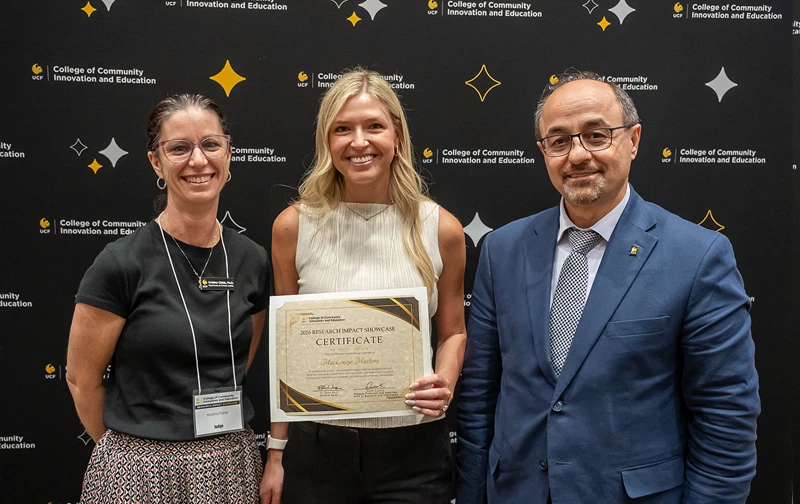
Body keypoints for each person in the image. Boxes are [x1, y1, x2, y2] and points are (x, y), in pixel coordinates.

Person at [456, 71, 760, 503]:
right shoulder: (502, 250)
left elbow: (726, 415)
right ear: (543, 151)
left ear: (633, 140)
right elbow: (479, 399)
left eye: (596, 135)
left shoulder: (697, 256)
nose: (578, 155)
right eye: (559, 141)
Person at [260, 68, 467, 504]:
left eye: (374, 126)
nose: (359, 142)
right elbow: (284, 353)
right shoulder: (293, 227)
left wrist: (444, 383)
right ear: (326, 140)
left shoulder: (441, 228)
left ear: (397, 135)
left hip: (414, 452)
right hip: (317, 451)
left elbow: (453, 332)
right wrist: (276, 452)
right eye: (342, 129)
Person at [66, 94, 269, 503]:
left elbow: (239, 363)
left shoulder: (252, 260)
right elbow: (81, 379)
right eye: (179, 148)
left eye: (210, 144)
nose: (198, 160)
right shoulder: (121, 263)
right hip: (139, 468)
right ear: (156, 163)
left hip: (230, 463)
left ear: (229, 154)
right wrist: (132, 455)